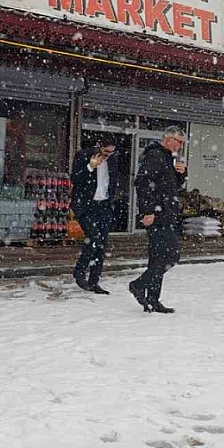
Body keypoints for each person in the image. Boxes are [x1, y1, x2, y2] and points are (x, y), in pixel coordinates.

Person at [128, 127, 187, 314]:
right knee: (171, 255)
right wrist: (148, 210)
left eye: (182, 143)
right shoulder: (155, 156)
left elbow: (171, 186)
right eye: (178, 142)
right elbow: (142, 182)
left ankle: (153, 299)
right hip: (158, 215)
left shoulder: (168, 157)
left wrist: (181, 174)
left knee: (158, 258)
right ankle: (138, 285)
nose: (180, 146)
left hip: (167, 213)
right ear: (168, 140)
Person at [70, 135, 117, 294]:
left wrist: (110, 202)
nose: (107, 155)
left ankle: (94, 281)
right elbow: (75, 179)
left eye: (111, 152)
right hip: (86, 206)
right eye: (105, 151)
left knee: (101, 245)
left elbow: (112, 182)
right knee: (93, 238)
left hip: (103, 205)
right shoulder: (83, 155)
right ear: (98, 146)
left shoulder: (112, 160)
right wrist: (90, 166)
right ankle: (79, 271)